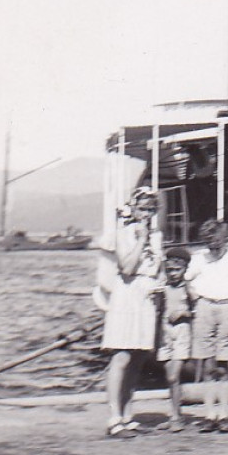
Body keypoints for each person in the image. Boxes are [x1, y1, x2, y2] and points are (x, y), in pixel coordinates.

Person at [100, 186, 164, 437]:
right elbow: (127, 267)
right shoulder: (124, 232)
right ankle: (114, 418)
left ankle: (127, 415)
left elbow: (158, 266)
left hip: (147, 295)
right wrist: (140, 238)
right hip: (127, 293)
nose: (146, 214)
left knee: (138, 357)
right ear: (134, 209)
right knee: (122, 356)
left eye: (151, 209)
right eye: (142, 209)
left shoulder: (156, 235)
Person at [184, 218, 228, 433]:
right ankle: (208, 414)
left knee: (223, 366)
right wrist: (196, 299)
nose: (213, 248)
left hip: (227, 309)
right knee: (206, 365)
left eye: (216, 243)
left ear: (225, 240)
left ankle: (223, 414)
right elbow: (187, 280)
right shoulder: (198, 259)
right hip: (205, 307)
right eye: (208, 243)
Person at [151, 245, 197, 432]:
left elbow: (196, 310)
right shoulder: (163, 289)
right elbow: (157, 311)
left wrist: (183, 312)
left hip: (182, 333)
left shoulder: (188, 289)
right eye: (169, 270)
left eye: (177, 270)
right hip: (165, 335)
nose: (173, 274)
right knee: (170, 379)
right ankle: (175, 415)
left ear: (185, 269)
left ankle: (177, 416)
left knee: (173, 375)